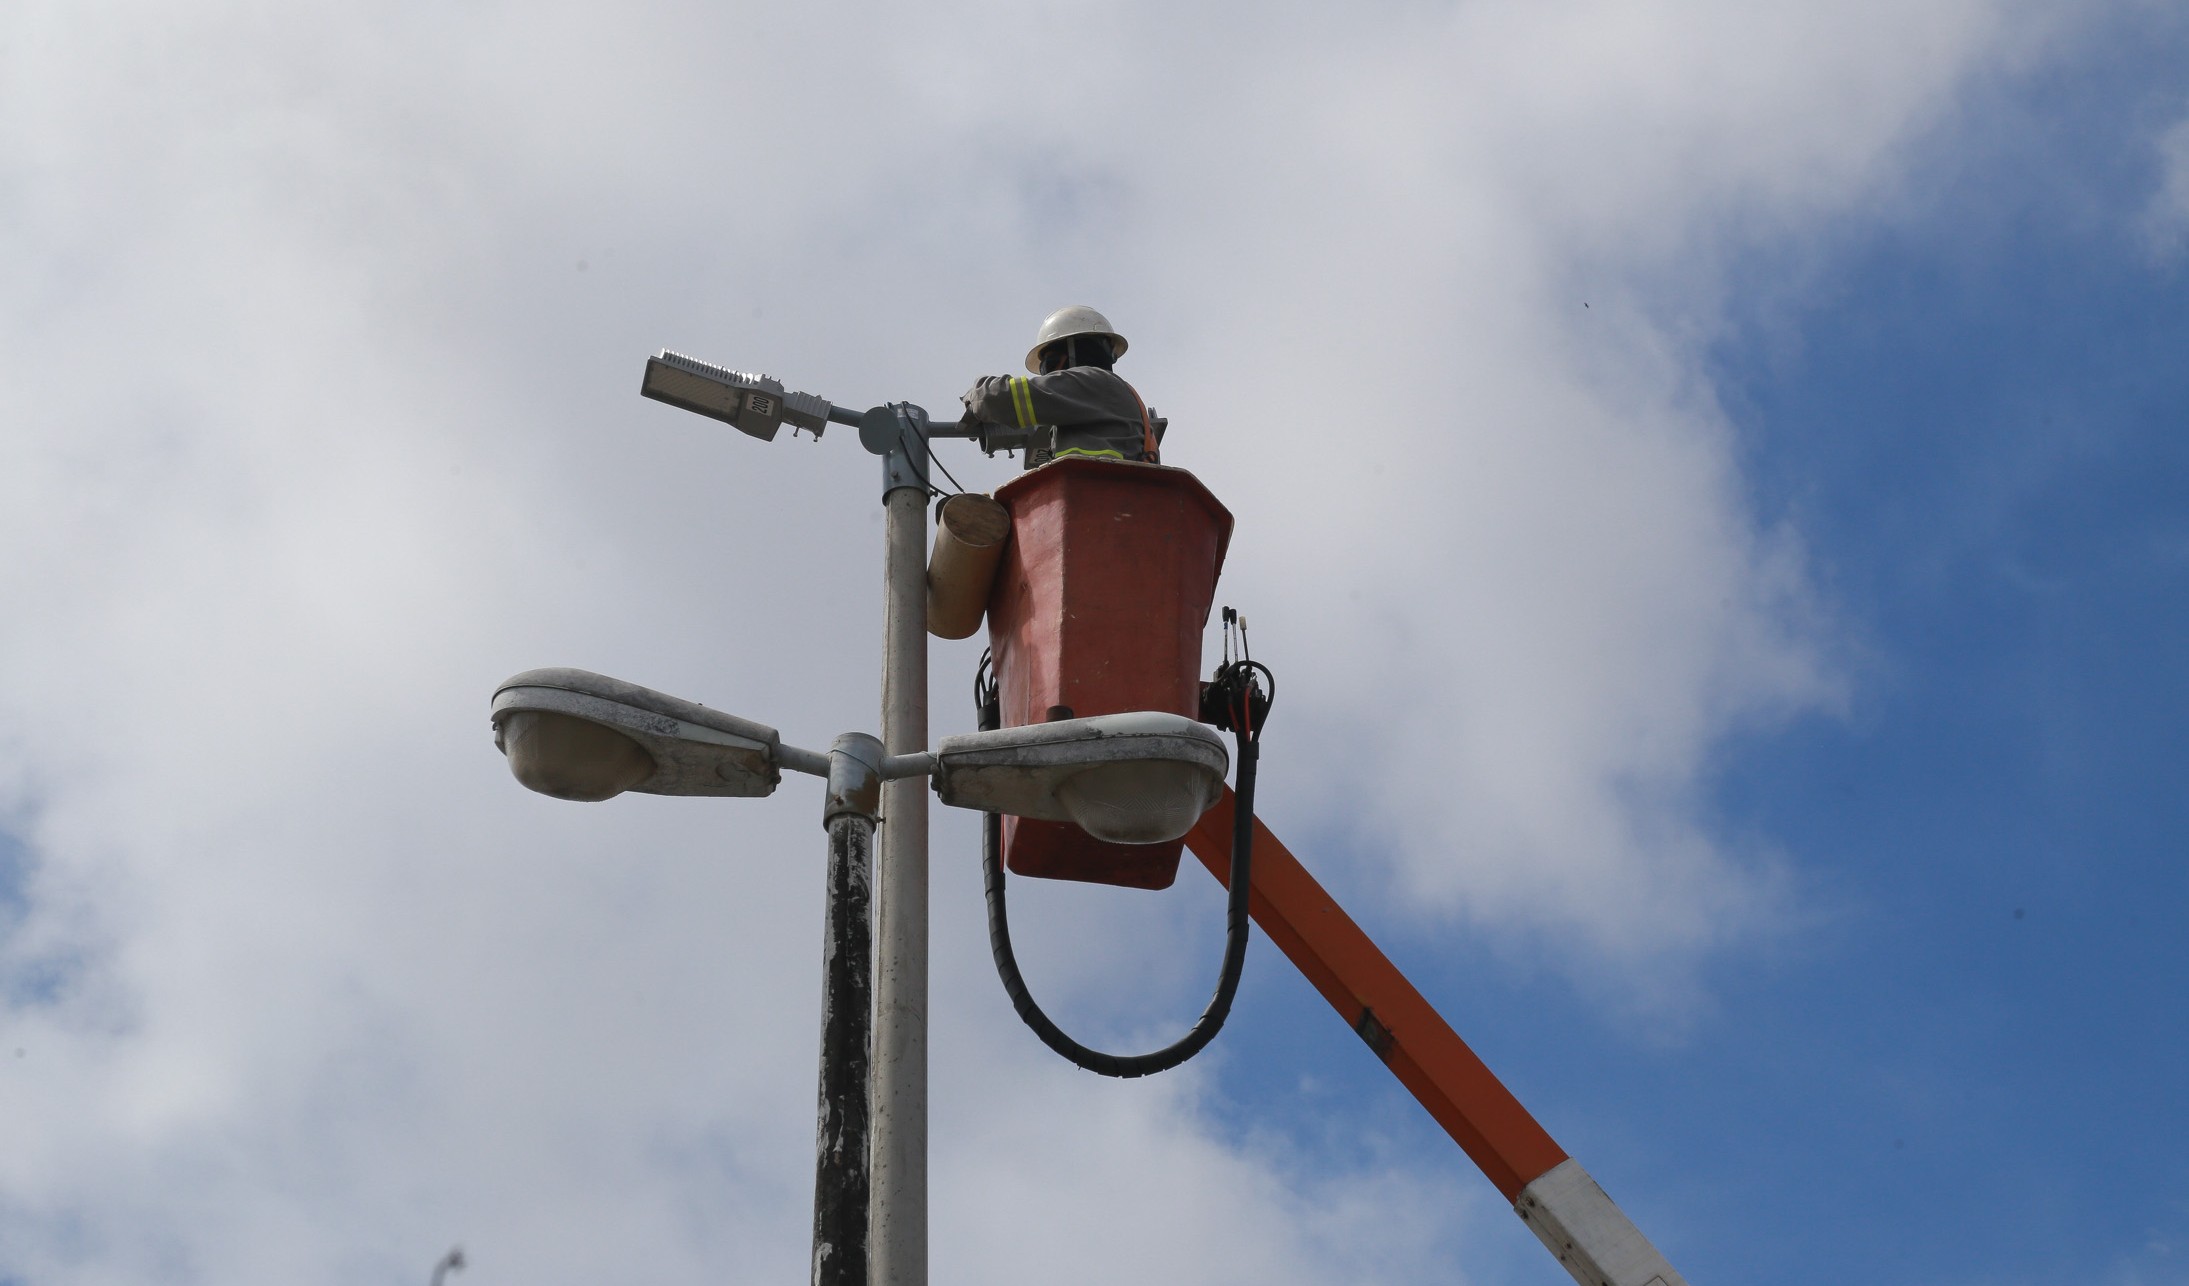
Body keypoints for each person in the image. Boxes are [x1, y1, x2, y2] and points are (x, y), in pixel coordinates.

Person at [960, 306, 1167, 468]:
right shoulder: (1108, 396)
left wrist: (978, 396)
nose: (1049, 375)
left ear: (1073, 350)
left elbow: (1003, 397)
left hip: (1096, 499)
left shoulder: (1092, 382)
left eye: (1048, 363)